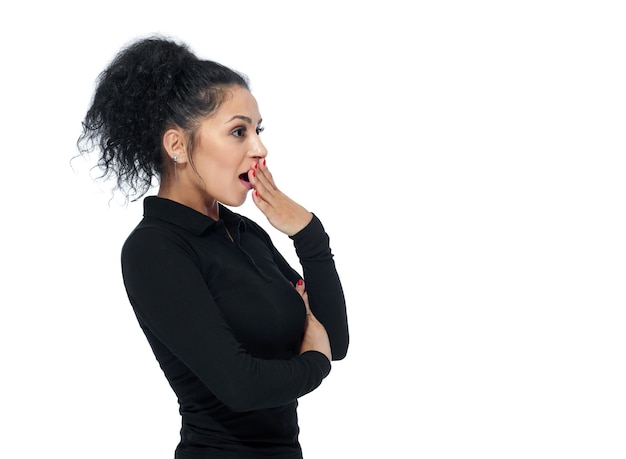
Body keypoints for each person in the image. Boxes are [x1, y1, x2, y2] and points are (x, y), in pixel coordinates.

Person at [76, 35, 349, 458]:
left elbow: (336, 338)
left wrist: (308, 233)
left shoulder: (244, 233)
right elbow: (242, 385)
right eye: (238, 131)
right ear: (178, 146)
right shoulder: (154, 249)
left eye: (258, 130)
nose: (260, 148)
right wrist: (315, 362)